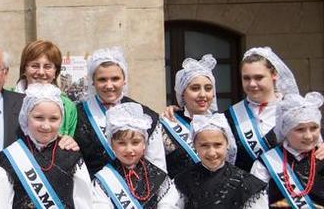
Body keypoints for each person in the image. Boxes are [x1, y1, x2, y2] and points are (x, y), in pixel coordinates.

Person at [227, 47, 324, 172]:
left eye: (259, 77)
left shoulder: (296, 110)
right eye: (246, 78)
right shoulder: (229, 117)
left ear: (274, 75)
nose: (252, 84)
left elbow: (315, 148)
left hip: (293, 187)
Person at [0, 84, 93, 208]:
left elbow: (84, 202)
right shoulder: (10, 158)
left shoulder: (71, 156)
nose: (46, 126)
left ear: (61, 120)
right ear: (26, 117)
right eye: (39, 118)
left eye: (53, 119)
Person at [250, 92, 324, 208]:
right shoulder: (265, 164)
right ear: (285, 131)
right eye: (300, 129)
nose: (308, 136)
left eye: (314, 128)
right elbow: (255, 205)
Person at [74, 46, 167, 176]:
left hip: (138, 191)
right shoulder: (77, 114)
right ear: (92, 82)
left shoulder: (144, 114)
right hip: (94, 191)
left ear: (124, 80)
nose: (109, 85)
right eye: (102, 79)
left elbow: (157, 165)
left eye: (115, 79)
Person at [92, 102, 180, 208]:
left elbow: (168, 205)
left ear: (144, 144)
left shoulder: (159, 177)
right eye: (122, 143)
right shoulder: (104, 179)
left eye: (135, 142)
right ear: (112, 145)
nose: (129, 149)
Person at [174, 113, 267, 209]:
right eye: (204, 145)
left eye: (217, 145)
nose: (211, 153)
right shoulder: (182, 181)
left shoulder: (247, 183)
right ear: (195, 146)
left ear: (227, 144)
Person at [160, 54, 218, 178]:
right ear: (182, 93)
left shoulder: (223, 122)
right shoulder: (167, 124)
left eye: (208, 88)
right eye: (195, 88)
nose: (203, 94)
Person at [13, 39, 78, 136]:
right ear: (24, 69)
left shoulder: (68, 107)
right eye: (34, 66)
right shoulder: (7, 99)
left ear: (55, 72)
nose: (41, 72)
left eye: (47, 67)